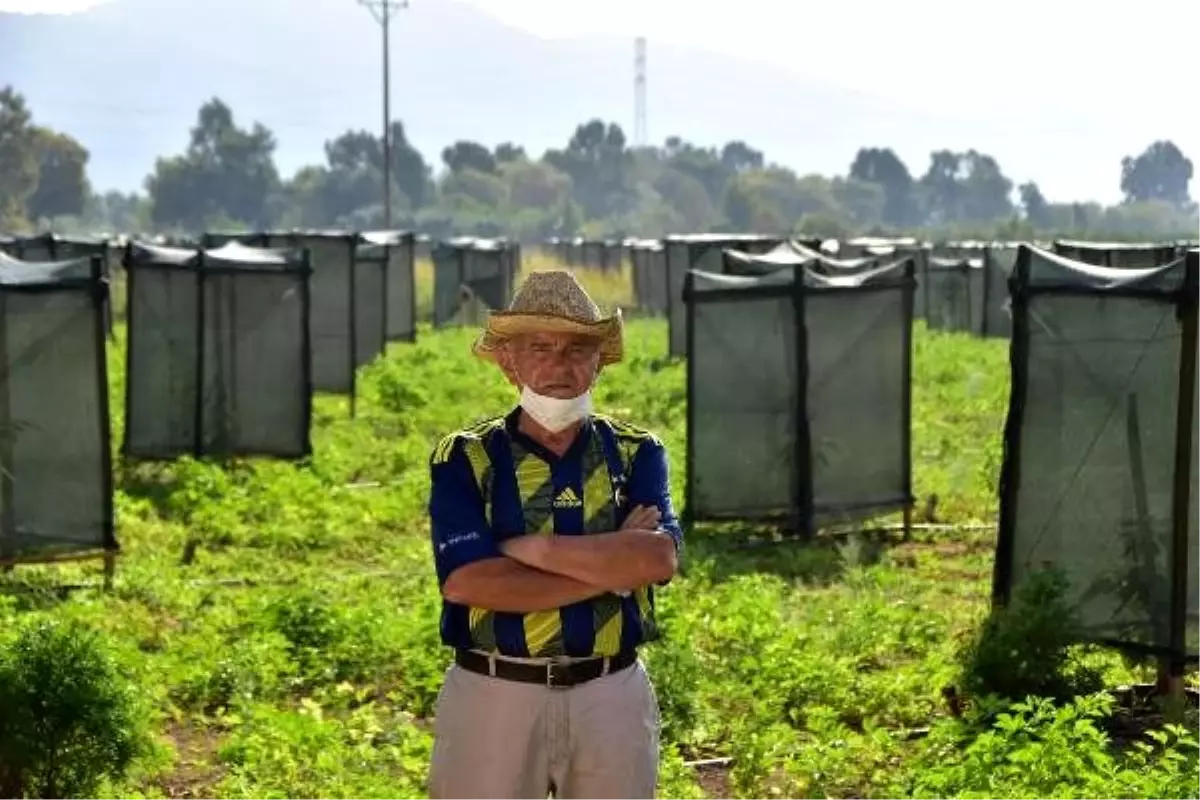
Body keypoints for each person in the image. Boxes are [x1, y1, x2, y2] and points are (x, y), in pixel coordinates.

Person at [426, 270, 683, 800]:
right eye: (540, 348)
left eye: (576, 349)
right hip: (495, 692)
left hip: (609, 693)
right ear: (508, 361)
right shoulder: (468, 457)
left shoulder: (636, 453)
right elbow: (471, 583)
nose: (559, 364)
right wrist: (612, 569)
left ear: (598, 363)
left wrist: (536, 551)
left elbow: (656, 561)